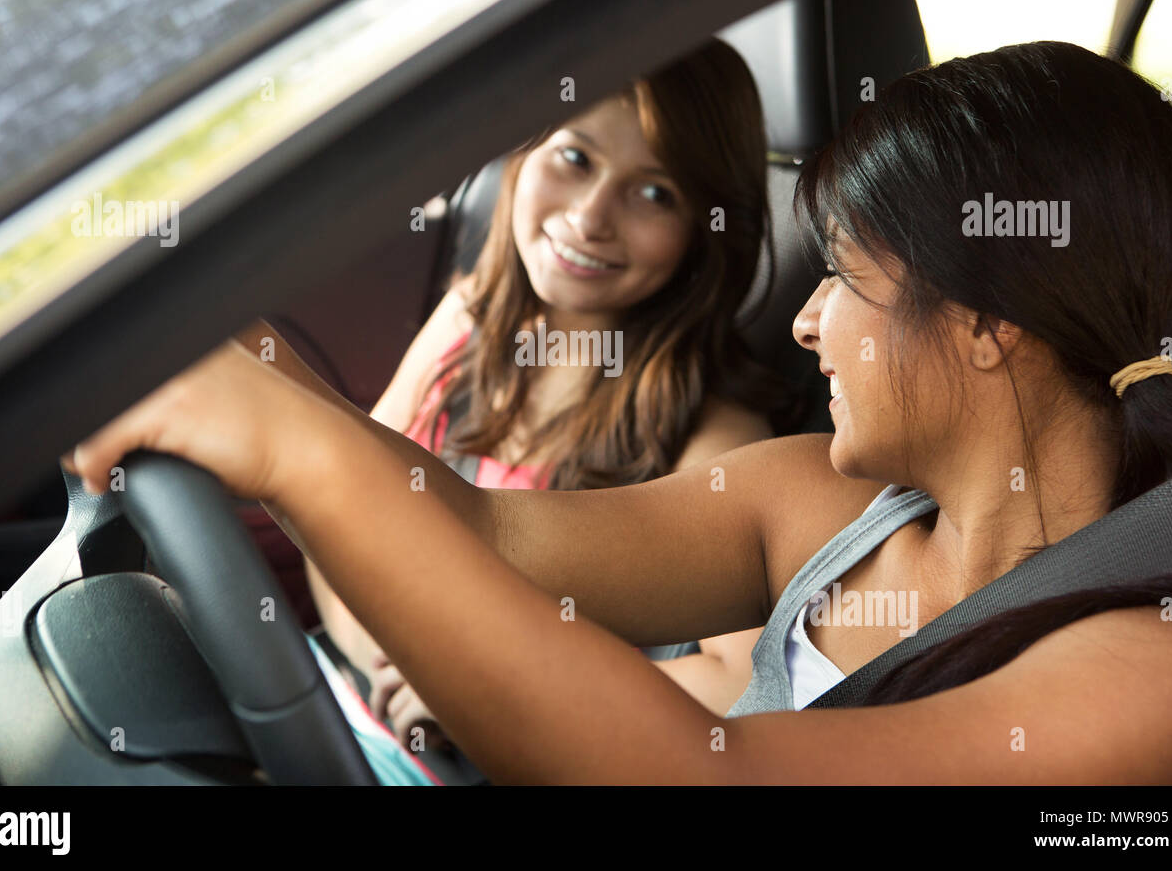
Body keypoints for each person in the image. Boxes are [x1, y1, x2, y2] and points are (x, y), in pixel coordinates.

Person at [64, 41, 1172, 783]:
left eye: (846, 278)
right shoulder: (819, 495)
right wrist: (227, 346)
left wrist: (295, 451)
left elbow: (705, 773)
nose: (806, 323)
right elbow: (488, 534)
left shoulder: (1162, 676)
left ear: (985, 321)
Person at [249, 39, 784, 766]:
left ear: (702, 232)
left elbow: (749, 685)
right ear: (524, 155)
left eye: (655, 193)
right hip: (344, 709)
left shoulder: (715, 443)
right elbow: (344, 502)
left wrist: (485, 687)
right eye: (575, 158)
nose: (592, 216)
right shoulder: (468, 320)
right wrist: (382, 655)